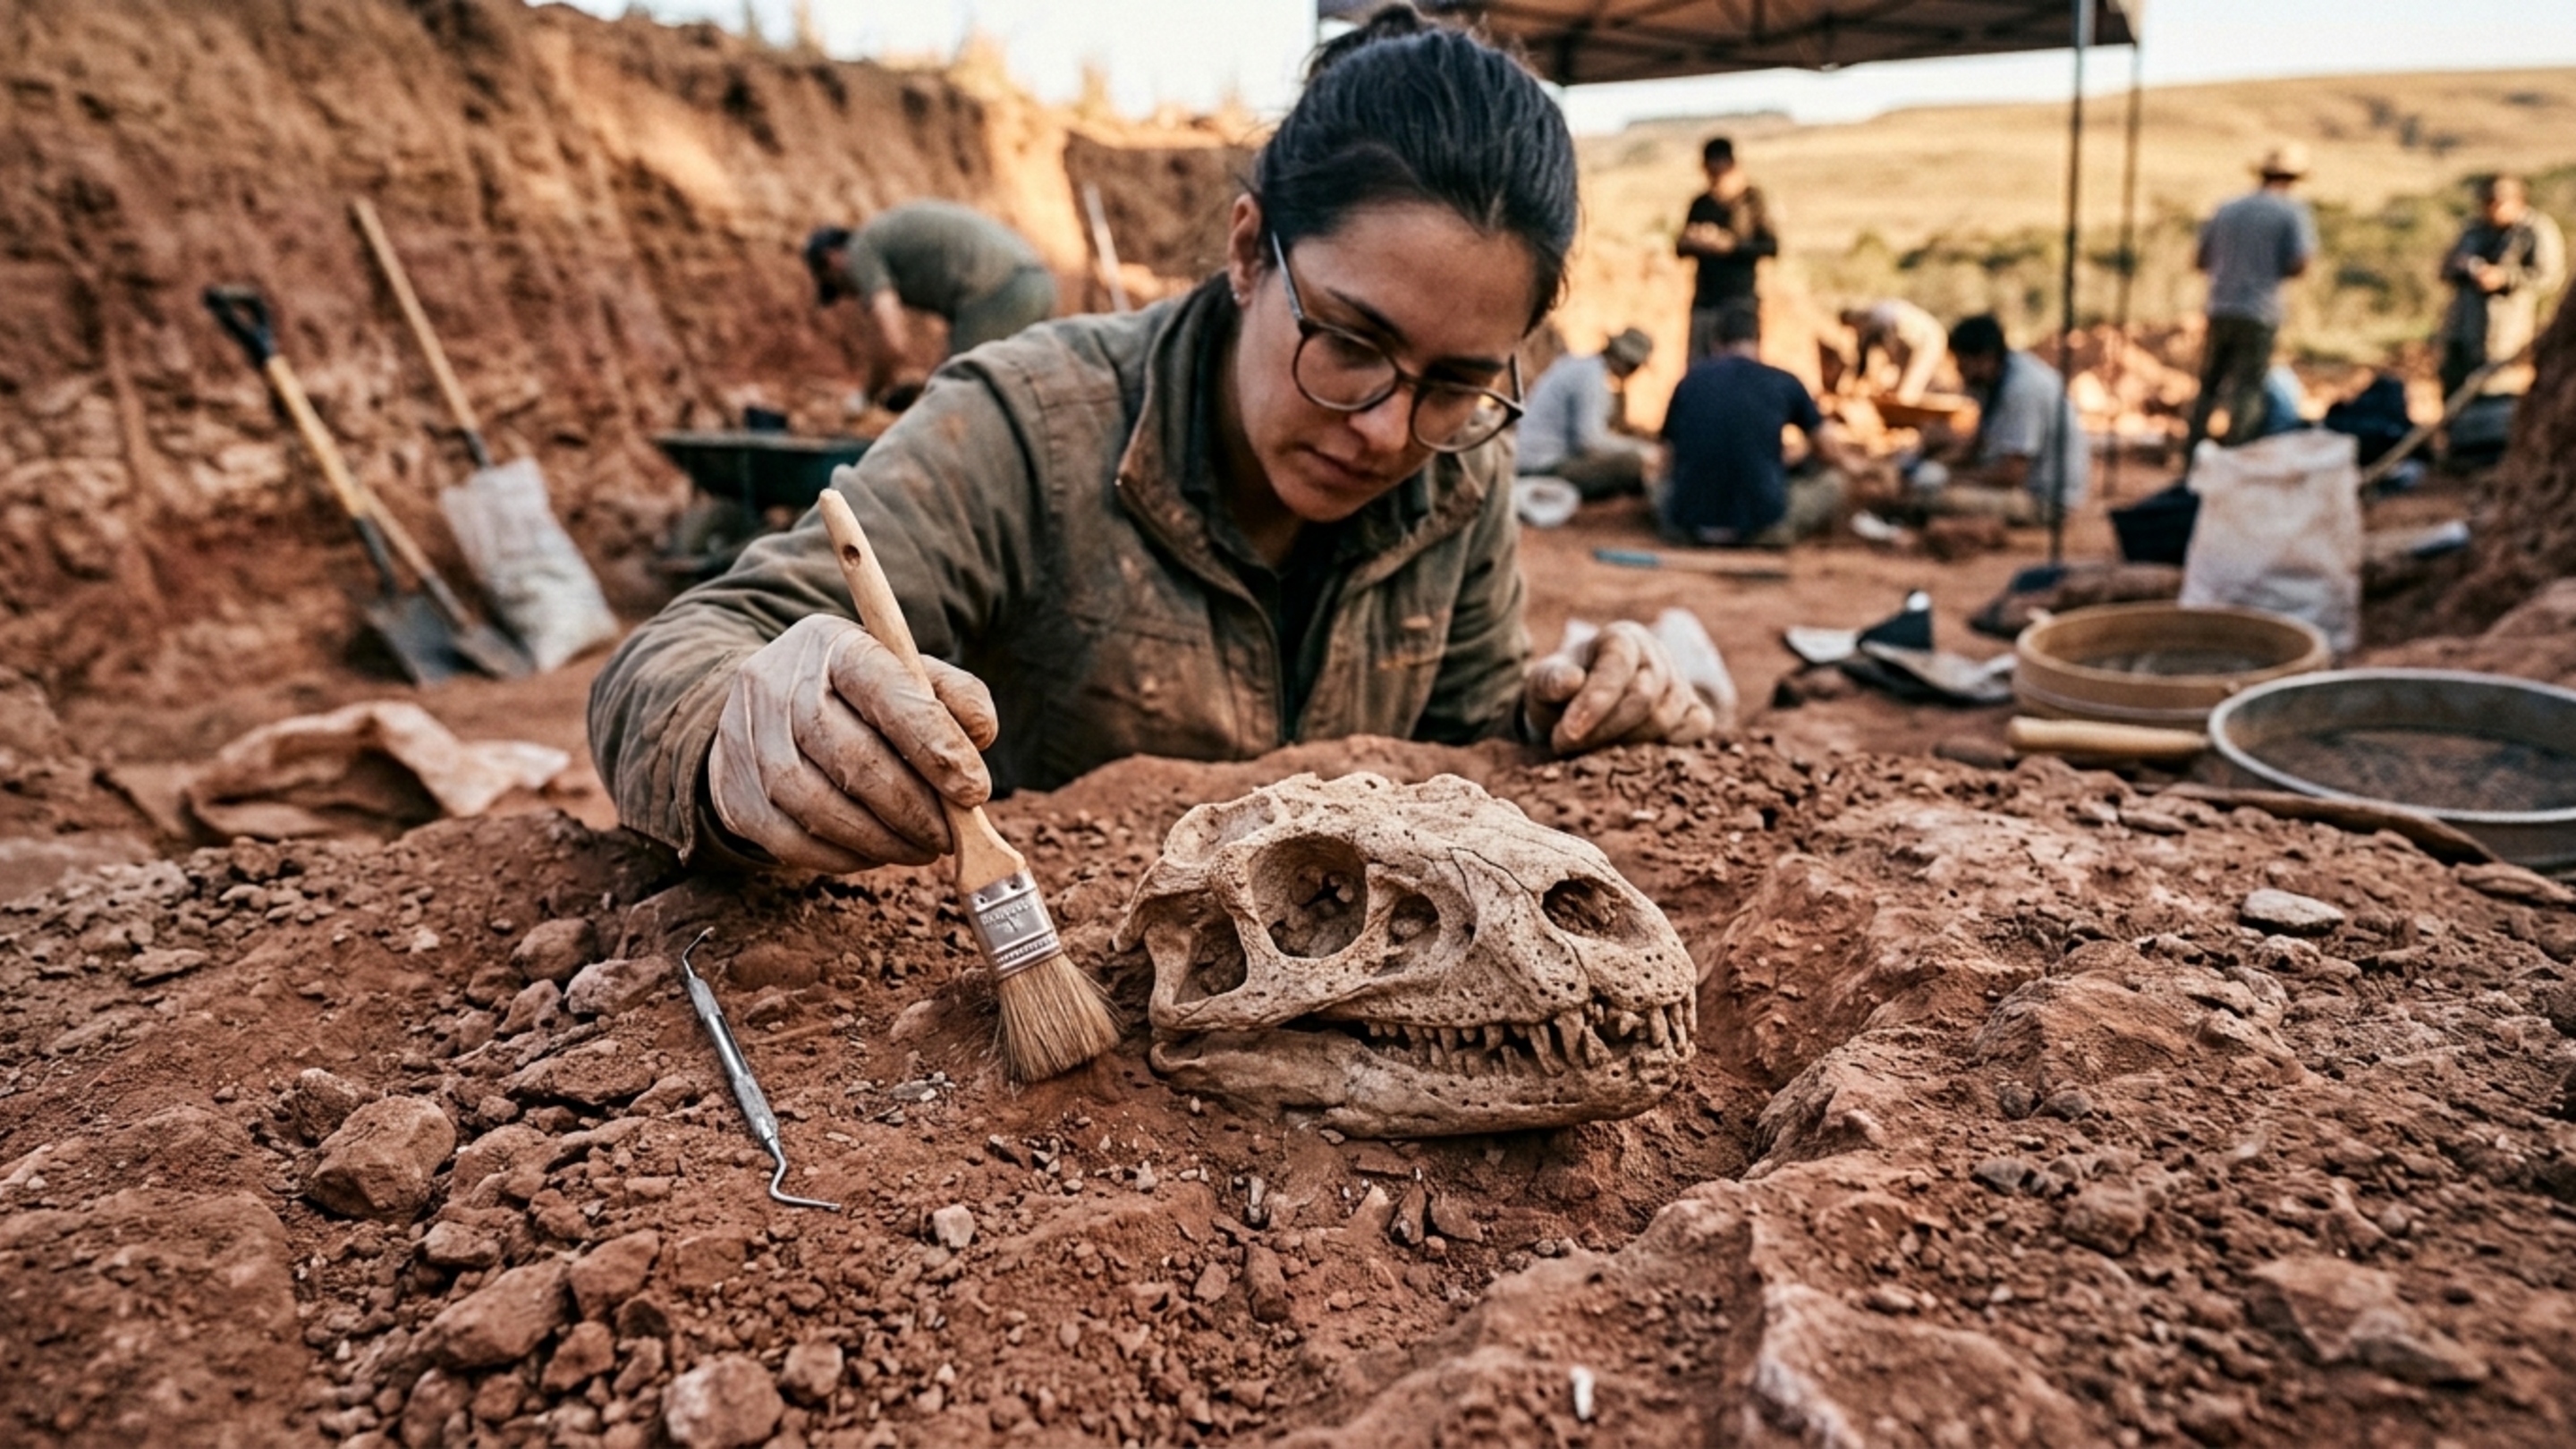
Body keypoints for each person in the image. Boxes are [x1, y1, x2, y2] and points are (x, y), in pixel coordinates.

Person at [592, 7, 1715, 876]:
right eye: (1350, 341)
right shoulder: (1029, 423)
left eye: (1460, 381)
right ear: (1246, 252)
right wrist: (745, 725)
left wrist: (1578, 714)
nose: (1385, 429)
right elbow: (674, 661)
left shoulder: (1462, 467)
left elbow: (1471, 750)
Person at [803, 202, 1059, 404]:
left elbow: (892, 343)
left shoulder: (860, 251)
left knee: (956, 402)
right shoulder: (885, 237)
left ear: (833, 258)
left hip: (999, 291)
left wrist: (867, 398)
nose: (851, 295)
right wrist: (924, 387)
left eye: (837, 287)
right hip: (1036, 282)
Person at [1656, 306, 1846, 548]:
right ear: (1758, 342)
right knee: (1833, 482)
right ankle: (1771, 531)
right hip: (1762, 525)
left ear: (1716, 342)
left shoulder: (1689, 382)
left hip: (1689, 526)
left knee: (1657, 481)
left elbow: (1664, 460)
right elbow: (1828, 449)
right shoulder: (1784, 382)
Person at [2185, 143, 2318, 454]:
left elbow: (2200, 259)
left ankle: (2191, 456)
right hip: (2260, 310)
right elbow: (2300, 262)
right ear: (2292, 179)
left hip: (2220, 305)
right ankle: (2236, 454)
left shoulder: (2226, 208)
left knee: (2209, 385)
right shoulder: (2291, 212)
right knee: (2248, 388)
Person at [1928, 315, 2089, 525]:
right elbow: (1980, 444)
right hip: (2022, 487)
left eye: (1962, 362)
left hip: (2044, 499)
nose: (1959, 370)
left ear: (1984, 358)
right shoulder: (1995, 378)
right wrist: (1939, 464)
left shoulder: (2022, 390)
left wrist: (1951, 479)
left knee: (1937, 499)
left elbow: (2011, 474)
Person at [2436, 174, 2566, 398]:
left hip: (2506, 331)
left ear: (2517, 201)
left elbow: (2549, 276)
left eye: (2495, 203)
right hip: (2463, 327)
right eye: (2485, 202)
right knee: (2455, 391)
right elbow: (2446, 268)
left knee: (2497, 395)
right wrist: (2463, 268)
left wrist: (2504, 278)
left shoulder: (2536, 230)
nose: (2489, 209)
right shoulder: (2474, 230)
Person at [1517, 326, 1656, 500]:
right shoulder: (1591, 378)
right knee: (1632, 464)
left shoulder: (1581, 366)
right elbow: (1590, 442)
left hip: (1529, 459)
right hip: (1542, 466)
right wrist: (1643, 449)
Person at [1675, 137, 1775, 360]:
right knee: (1701, 370)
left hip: (1740, 302)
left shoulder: (1752, 202)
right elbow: (1680, 248)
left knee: (1740, 371)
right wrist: (1694, 242)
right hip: (1705, 302)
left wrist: (1731, 247)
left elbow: (1770, 246)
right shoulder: (1701, 204)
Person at [1838, 299, 1947, 404]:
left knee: (1907, 392)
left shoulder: (1877, 318)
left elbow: (1870, 353)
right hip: (1912, 340)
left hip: (1927, 340)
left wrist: (1862, 381)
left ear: (1853, 320)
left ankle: (1906, 418)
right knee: (1896, 388)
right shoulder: (1876, 315)